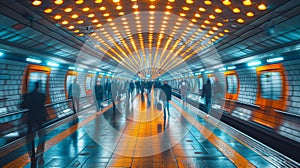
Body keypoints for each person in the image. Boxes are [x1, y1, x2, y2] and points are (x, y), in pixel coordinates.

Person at [21, 81, 49, 166]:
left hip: (31, 118)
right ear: (39, 87)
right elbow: (43, 104)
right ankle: (40, 152)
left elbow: (22, 106)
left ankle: (31, 153)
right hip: (39, 118)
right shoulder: (41, 96)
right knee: (42, 135)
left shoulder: (28, 96)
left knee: (30, 137)